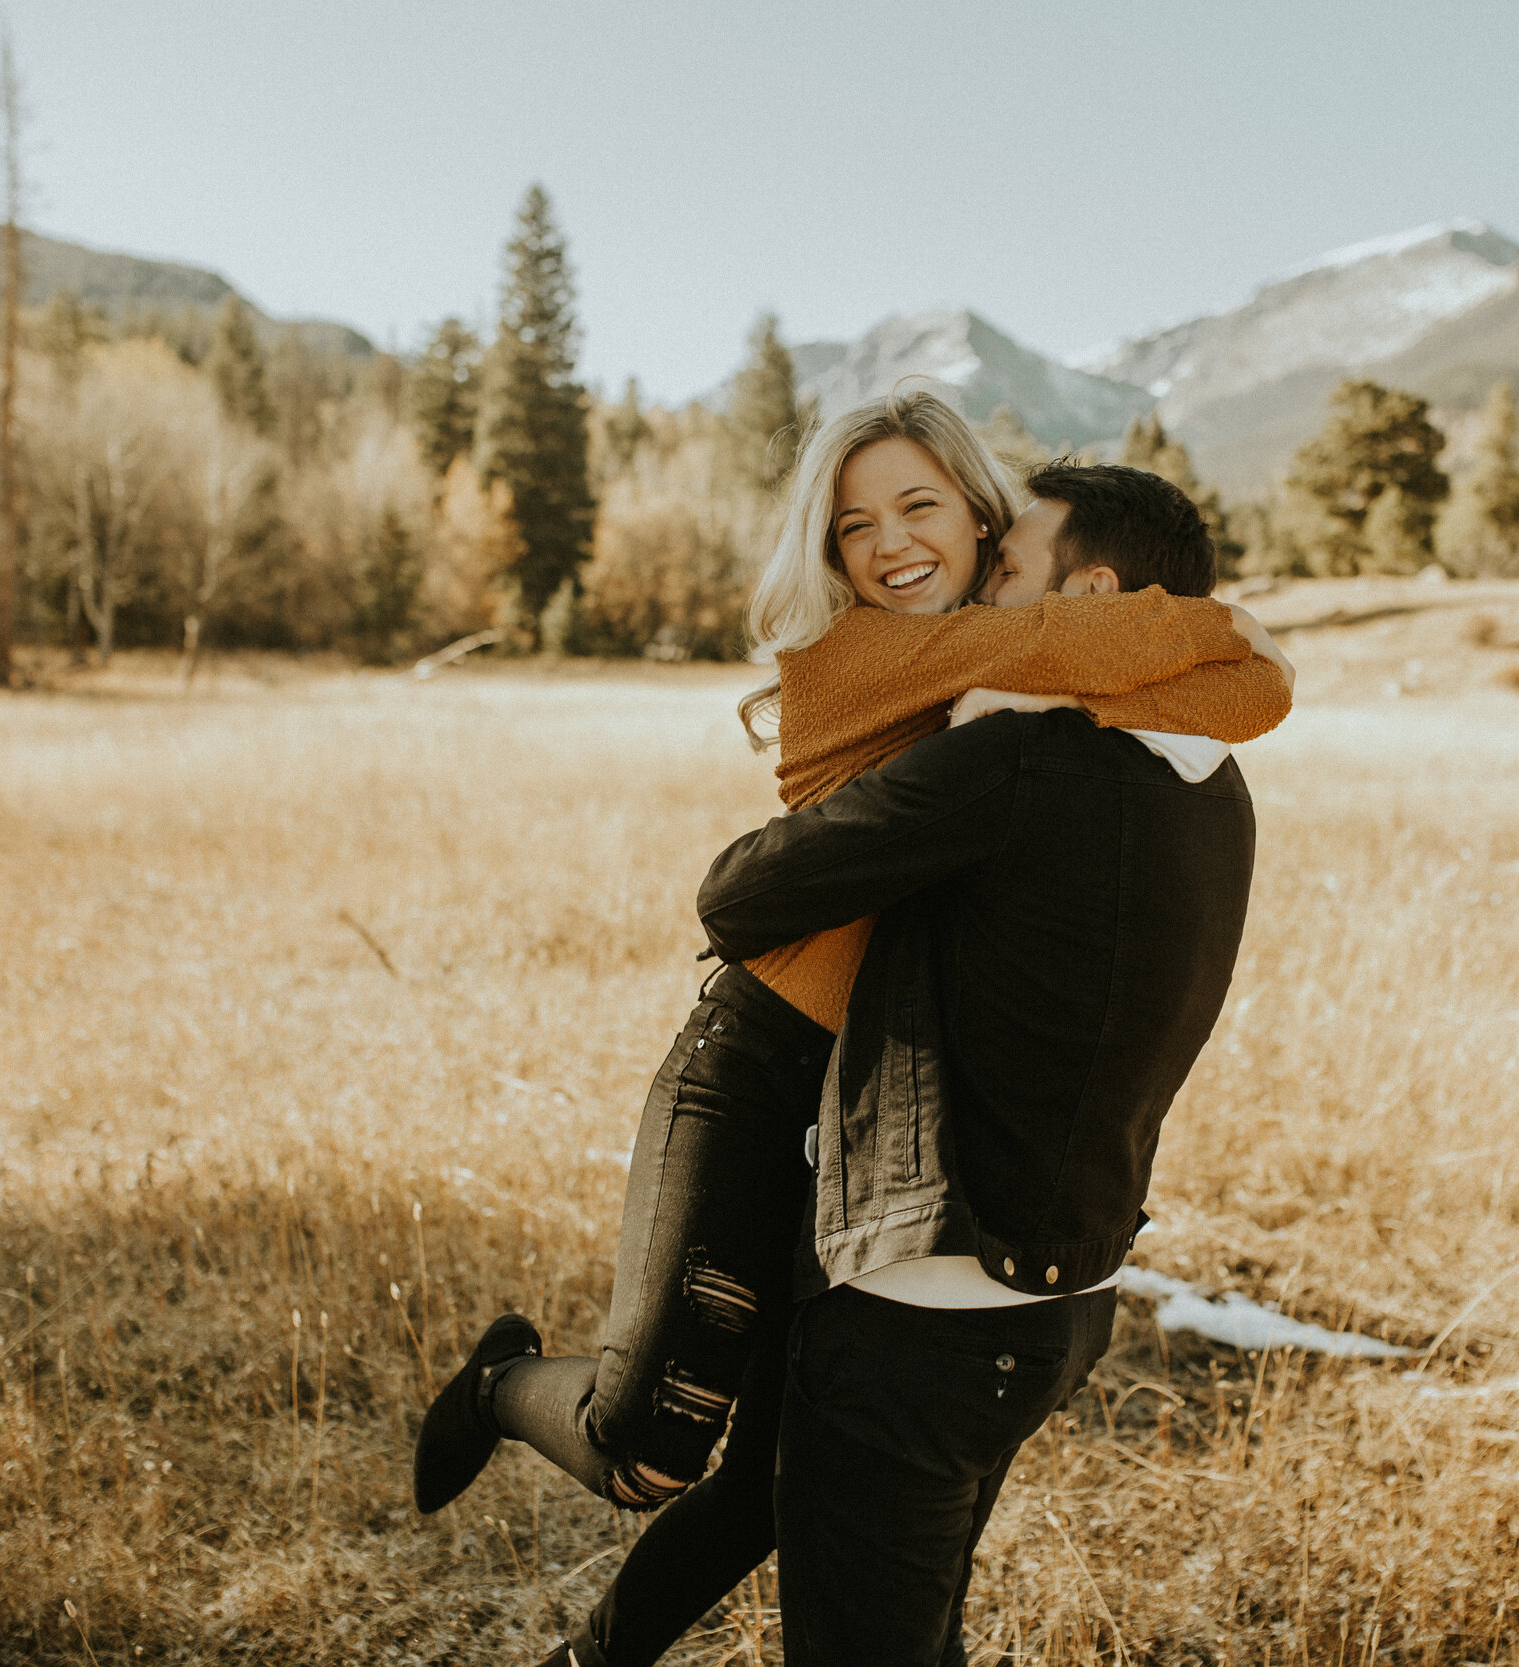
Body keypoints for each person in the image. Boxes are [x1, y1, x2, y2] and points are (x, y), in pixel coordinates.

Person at [411, 392, 1290, 1667]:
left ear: (986, 521)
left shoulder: (1022, 668)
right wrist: (1192, 631)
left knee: (769, 1480)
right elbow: (1235, 671)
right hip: (756, 1062)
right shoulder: (872, 655)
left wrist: (1114, 659)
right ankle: (503, 1381)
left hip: (866, 1111)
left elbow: (1226, 698)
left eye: (924, 509)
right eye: (850, 523)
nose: (887, 546)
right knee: (648, 1445)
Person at [695, 461, 1266, 1666]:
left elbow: (741, 893)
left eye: (1009, 569)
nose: (978, 598)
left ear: (1093, 595)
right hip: (1065, 1302)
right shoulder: (1217, 786)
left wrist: (960, 735)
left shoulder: (1010, 760)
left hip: (915, 1308)